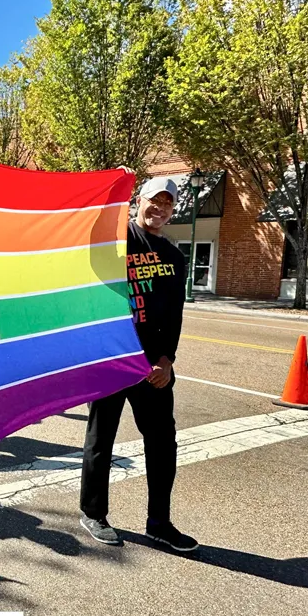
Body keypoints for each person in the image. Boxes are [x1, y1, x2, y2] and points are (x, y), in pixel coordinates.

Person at [79, 176, 196, 553]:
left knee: (162, 443)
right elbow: (89, 237)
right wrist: (115, 186)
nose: (159, 208)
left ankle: (159, 523)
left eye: (168, 203)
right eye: (153, 200)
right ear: (139, 201)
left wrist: (167, 359)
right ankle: (94, 513)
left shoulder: (174, 256)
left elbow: (174, 314)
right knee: (101, 439)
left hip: (153, 368)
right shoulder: (116, 239)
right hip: (112, 359)